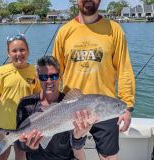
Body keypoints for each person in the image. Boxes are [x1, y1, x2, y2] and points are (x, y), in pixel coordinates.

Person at [52, 0, 135, 160]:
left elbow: (124, 70)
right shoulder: (64, 32)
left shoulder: (114, 29)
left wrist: (127, 105)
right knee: (71, 155)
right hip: (71, 109)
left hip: (106, 108)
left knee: (109, 157)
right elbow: (55, 74)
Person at [16, 56, 97, 160]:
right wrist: (29, 146)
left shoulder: (74, 105)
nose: (49, 81)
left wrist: (79, 137)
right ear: (37, 77)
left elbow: (77, 150)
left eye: (53, 76)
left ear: (60, 76)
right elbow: (19, 143)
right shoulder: (26, 104)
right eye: (44, 77)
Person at [0, 34, 41, 160]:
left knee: (21, 154)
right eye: (14, 50)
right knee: (1, 155)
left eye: (22, 50)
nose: (19, 54)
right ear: (8, 54)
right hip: (3, 124)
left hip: (25, 124)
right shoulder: (1, 71)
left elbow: (39, 98)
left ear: (28, 51)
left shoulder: (35, 71)